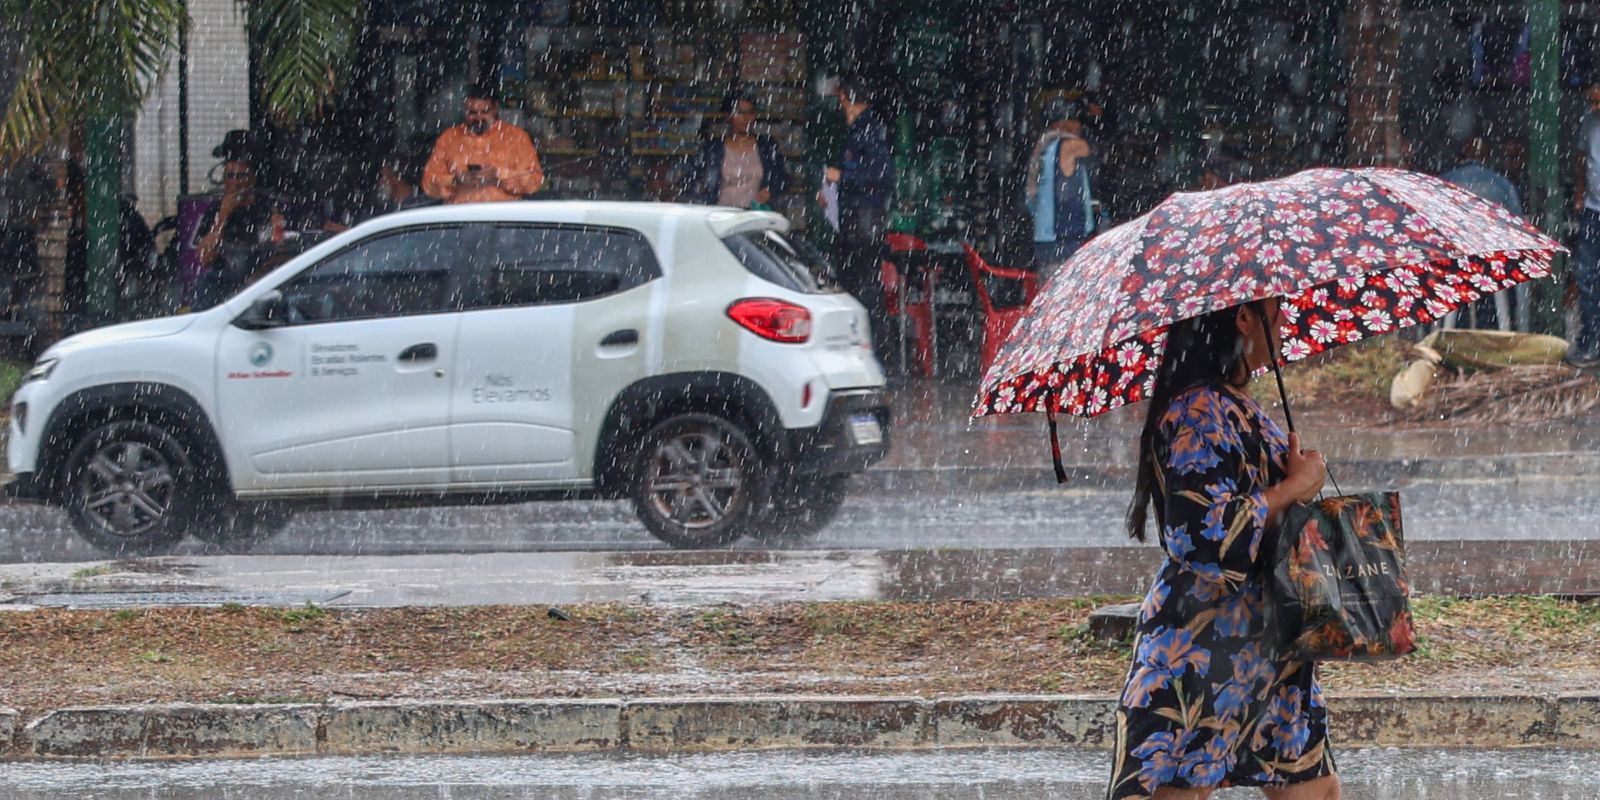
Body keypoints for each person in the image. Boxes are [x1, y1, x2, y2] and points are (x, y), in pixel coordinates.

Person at [1111, 299, 1340, 799]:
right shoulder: (1198, 411)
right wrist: (1294, 487)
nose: (1285, 324)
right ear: (1244, 318)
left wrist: (1298, 474)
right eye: (1277, 311)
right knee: (1176, 790)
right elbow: (1200, 535)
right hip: (1202, 643)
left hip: (1266, 640)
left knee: (1314, 787)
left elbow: (1260, 507)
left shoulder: (1236, 404)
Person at [820, 75, 895, 366]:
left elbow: (882, 175)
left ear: (845, 98)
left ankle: (877, 354)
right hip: (857, 219)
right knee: (860, 286)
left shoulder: (867, 129)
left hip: (864, 222)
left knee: (863, 288)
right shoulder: (861, 130)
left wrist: (844, 178)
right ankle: (870, 353)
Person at [1441, 136, 1522, 331]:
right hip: (1492, 264)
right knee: (1503, 285)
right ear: (1486, 157)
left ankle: (1452, 332)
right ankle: (1496, 329)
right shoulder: (1501, 184)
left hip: (1453, 265)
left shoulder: (1442, 182)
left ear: (1461, 156)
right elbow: (1517, 225)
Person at [422, 87, 544, 204]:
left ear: (495, 109)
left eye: (484, 112)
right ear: (465, 110)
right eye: (473, 113)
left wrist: (498, 176)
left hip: (505, 216)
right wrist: (455, 179)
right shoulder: (449, 138)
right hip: (460, 215)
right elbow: (428, 183)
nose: (478, 118)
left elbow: (535, 181)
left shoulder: (517, 137)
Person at [1025, 97, 1098, 279]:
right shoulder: (1069, 145)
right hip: (1065, 240)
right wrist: (1097, 117)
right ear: (1060, 123)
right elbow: (1098, 151)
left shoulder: (1044, 148)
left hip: (1046, 239)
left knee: (1051, 297)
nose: (1078, 125)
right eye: (1074, 120)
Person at [192, 155, 277, 309]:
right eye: (230, 176)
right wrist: (223, 215)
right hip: (225, 277)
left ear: (252, 179)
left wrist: (257, 275)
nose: (235, 182)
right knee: (205, 281)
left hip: (261, 275)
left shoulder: (266, 208)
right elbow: (206, 258)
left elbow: (279, 248)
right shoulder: (215, 210)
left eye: (241, 176)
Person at [683, 95, 792, 208]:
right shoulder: (713, 149)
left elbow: (783, 179)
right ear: (728, 116)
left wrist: (769, 191)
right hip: (722, 214)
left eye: (750, 112)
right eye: (740, 112)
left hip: (756, 214)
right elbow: (691, 181)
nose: (746, 118)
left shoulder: (767, 146)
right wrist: (705, 201)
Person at [1570, 81, 1600, 366]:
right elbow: (1581, 158)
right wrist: (1579, 191)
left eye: (1598, 103)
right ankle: (1590, 339)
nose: (1593, 108)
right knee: (1586, 275)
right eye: (1590, 102)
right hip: (1593, 209)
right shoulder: (1589, 122)